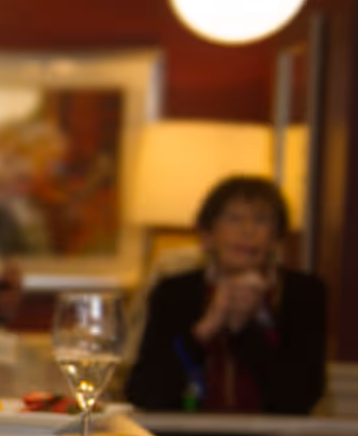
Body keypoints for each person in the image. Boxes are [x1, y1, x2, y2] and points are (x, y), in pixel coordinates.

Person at [126, 176, 327, 414]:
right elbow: (145, 393)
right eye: (233, 219)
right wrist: (206, 329)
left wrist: (244, 329)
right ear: (207, 235)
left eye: (261, 220)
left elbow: (298, 399)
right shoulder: (174, 291)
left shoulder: (304, 292)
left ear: (276, 238)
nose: (248, 231)